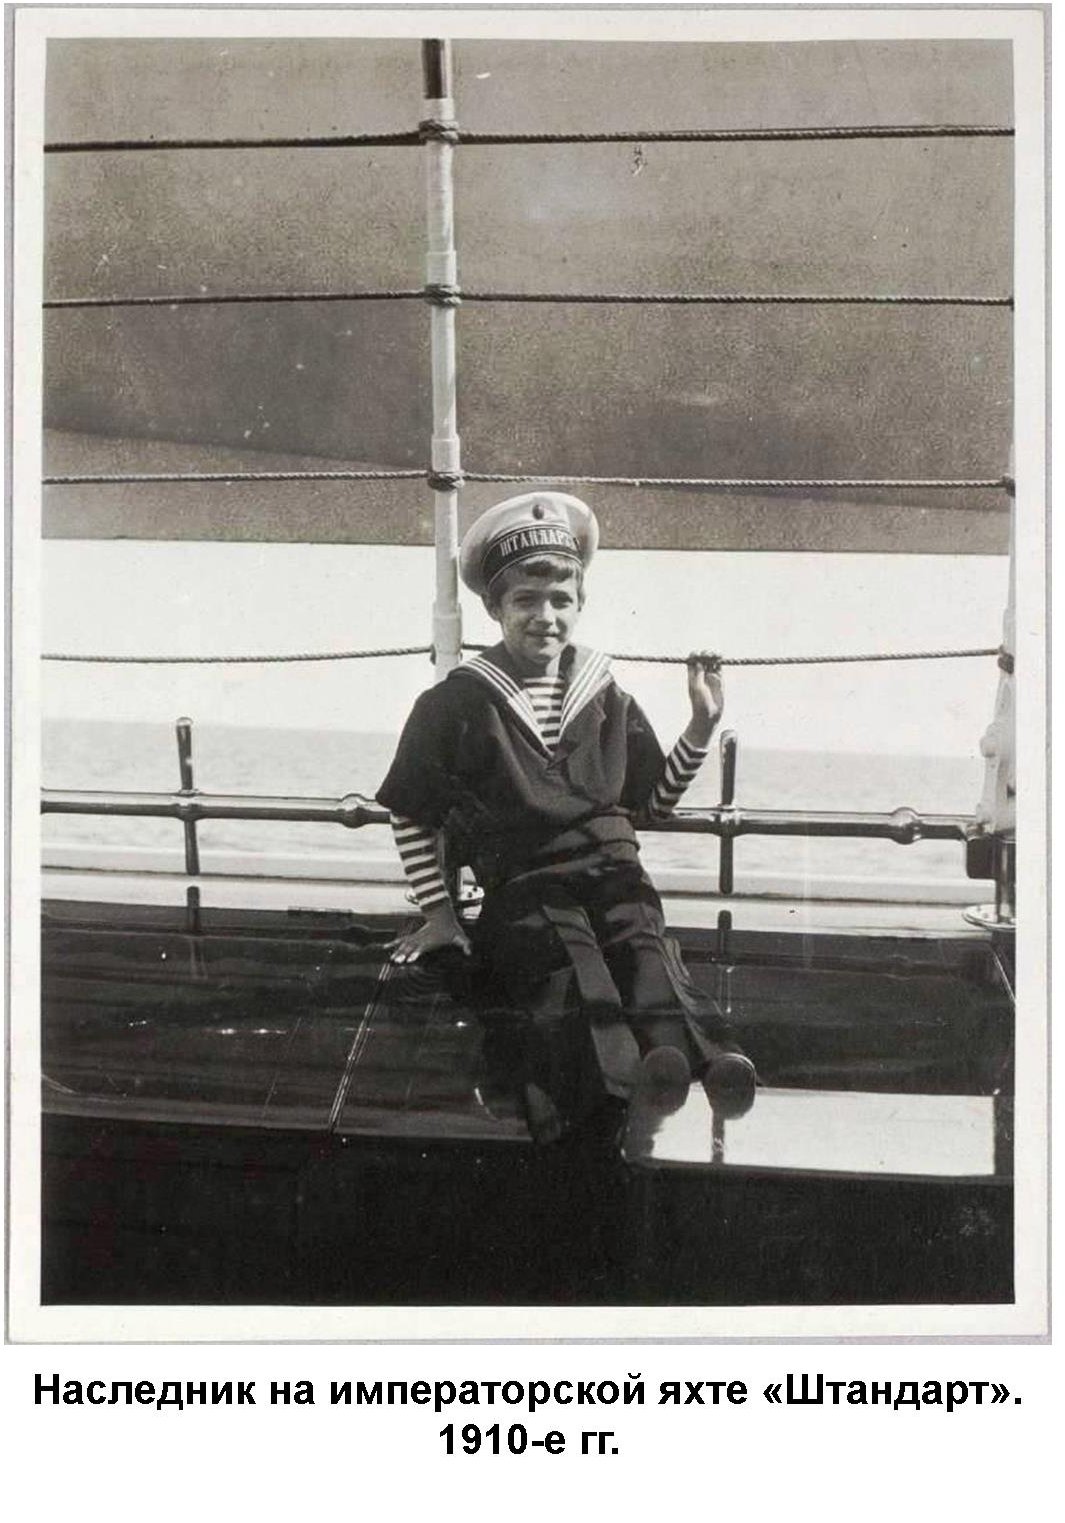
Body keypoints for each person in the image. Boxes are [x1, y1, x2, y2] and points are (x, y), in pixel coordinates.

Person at [377, 490, 755, 1144]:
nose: (544, 617)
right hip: (526, 886)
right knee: (568, 961)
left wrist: (699, 726)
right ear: (494, 609)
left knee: (642, 944)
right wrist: (439, 913)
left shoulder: (605, 694)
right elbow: (411, 813)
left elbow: (652, 804)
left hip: (613, 869)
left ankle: (699, 1060)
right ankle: (623, 1077)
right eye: (525, 601)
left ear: (580, 605)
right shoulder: (456, 704)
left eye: (560, 601)